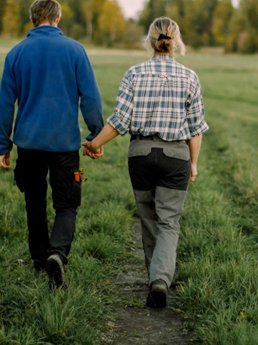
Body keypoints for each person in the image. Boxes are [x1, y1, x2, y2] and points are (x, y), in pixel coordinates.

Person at [83, 16, 208, 308]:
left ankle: (155, 281)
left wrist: (95, 143)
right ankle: (160, 280)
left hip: (140, 154)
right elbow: (195, 128)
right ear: (176, 42)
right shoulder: (190, 77)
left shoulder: (134, 74)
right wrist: (193, 163)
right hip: (175, 155)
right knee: (169, 222)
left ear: (150, 41)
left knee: (149, 219)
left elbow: (119, 120)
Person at [0, 0, 104, 288]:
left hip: (28, 143)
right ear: (57, 18)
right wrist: (96, 135)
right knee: (67, 204)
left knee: (34, 202)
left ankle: (40, 260)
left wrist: (2, 145)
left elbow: (5, 103)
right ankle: (57, 254)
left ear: (33, 19)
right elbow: (90, 97)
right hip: (64, 145)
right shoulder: (75, 50)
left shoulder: (16, 53)